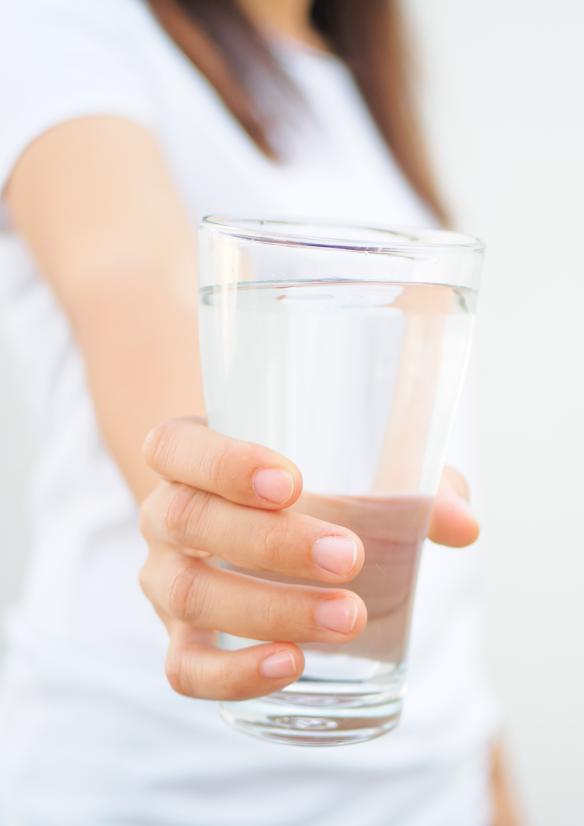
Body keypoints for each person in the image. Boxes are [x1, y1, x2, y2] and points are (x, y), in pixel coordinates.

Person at [0, 0, 518, 823]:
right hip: (163, 784)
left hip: (428, 782)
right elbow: (131, 292)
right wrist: (218, 503)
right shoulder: (65, 26)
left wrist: (489, 776)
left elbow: (432, 533)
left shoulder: (347, 76)